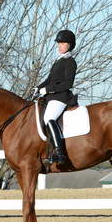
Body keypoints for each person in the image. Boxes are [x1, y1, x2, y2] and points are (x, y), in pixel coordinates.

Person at [35, 29, 78, 165]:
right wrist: (38, 87)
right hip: (51, 97)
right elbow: (49, 79)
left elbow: (68, 83)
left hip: (61, 97)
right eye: (59, 43)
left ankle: (60, 152)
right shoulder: (58, 61)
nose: (60, 46)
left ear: (69, 45)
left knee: (49, 118)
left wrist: (48, 89)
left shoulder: (70, 62)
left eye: (63, 43)